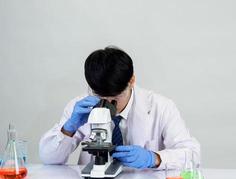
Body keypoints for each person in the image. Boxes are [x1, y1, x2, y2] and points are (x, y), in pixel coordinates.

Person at [39, 46, 200, 169]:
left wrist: (155, 158)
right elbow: (48, 159)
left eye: (115, 98)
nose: (108, 104)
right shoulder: (80, 106)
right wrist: (69, 128)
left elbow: (192, 155)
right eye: (101, 97)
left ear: (131, 80)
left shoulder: (161, 107)